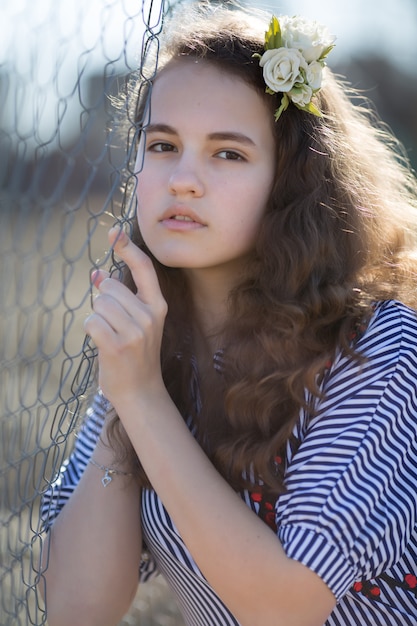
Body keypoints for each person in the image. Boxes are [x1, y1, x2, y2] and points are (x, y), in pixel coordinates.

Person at [39, 3, 417, 625]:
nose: (182, 179)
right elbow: (76, 609)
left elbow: (286, 606)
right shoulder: (155, 341)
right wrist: (129, 398)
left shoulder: (377, 342)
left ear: (292, 183)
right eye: (163, 145)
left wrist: (146, 401)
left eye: (228, 154)